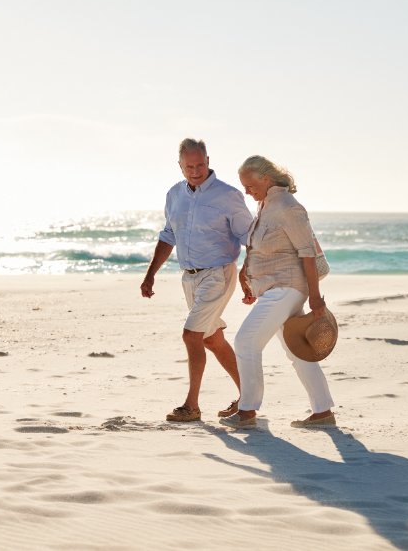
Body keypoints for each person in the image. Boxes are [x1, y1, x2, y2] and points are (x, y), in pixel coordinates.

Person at [141, 138, 254, 422]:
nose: (195, 171)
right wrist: (150, 275)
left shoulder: (227, 195)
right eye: (189, 166)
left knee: (191, 335)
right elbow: (168, 236)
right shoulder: (174, 195)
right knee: (212, 339)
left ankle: (191, 406)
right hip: (189, 277)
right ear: (179, 165)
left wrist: (248, 274)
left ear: (208, 160)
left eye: (200, 165)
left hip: (218, 273)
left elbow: (248, 237)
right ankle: (248, 398)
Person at [219, 155, 335, 430]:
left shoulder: (287, 207)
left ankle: (247, 411)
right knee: (297, 348)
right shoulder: (265, 206)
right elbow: (259, 249)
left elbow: (307, 253)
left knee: (246, 341)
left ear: (266, 179)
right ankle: (323, 412)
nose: (246, 191)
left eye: (249, 185)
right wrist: (248, 278)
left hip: (287, 288)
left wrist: (316, 298)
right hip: (272, 289)